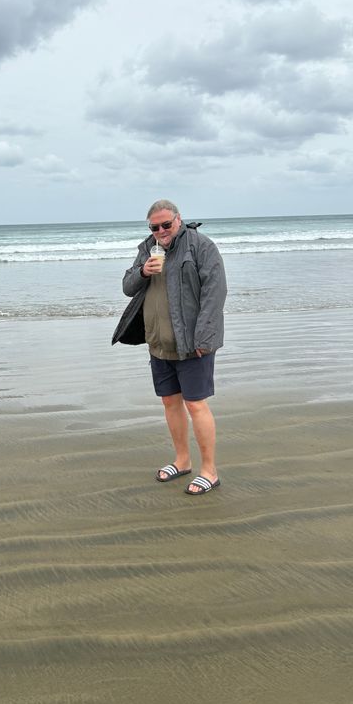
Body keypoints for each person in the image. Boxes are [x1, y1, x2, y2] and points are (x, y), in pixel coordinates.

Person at [113, 200, 227, 495]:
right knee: (169, 402)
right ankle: (182, 460)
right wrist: (142, 272)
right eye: (155, 227)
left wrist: (204, 338)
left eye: (166, 224)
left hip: (192, 344)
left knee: (196, 404)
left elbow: (216, 293)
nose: (161, 231)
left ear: (179, 220)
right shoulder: (147, 249)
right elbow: (127, 287)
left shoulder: (200, 247)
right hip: (158, 342)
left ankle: (209, 471)